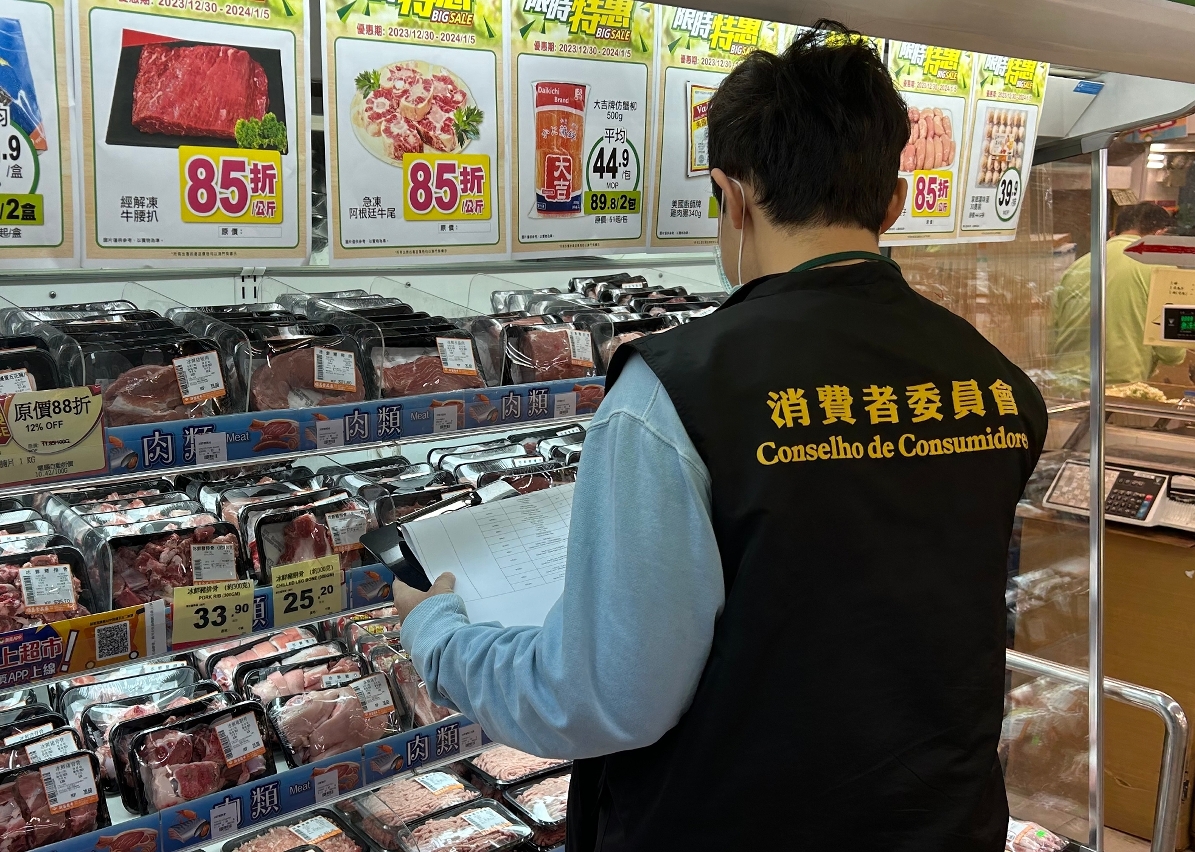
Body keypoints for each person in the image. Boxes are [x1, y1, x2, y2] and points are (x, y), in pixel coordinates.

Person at [393, 21, 1047, 852]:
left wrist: (437, 633)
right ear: (895, 201)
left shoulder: (675, 391)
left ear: (729, 196)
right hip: (940, 823)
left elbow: (602, 698)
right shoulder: (996, 384)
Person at [1050, 201, 1186, 393]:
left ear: (1114, 233)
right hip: (1117, 390)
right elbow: (1171, 351)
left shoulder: (1078, 266)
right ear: (1160, 234)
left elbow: (1053, 328)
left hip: (1065, 386)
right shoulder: (1160, 266)